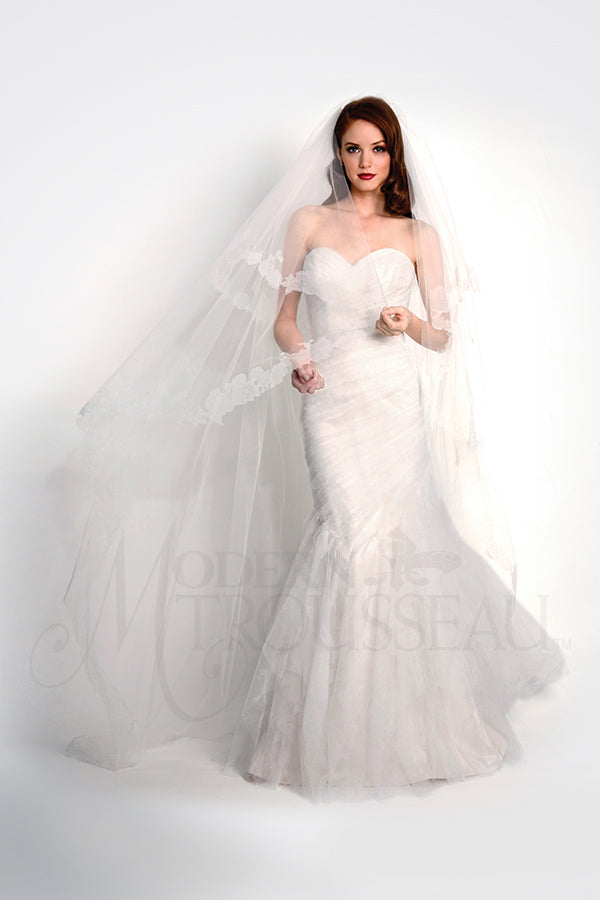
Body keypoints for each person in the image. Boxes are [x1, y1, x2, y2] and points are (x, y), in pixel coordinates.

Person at [42, 95, 567, 802]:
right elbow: (284, 319)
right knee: (346, 538)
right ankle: (324, 735)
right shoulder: (307, 223)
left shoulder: (418, 234)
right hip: (330, 399)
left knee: (396, 543)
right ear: (337, 155)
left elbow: (443, 335)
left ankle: (419, 731)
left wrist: (409, 320)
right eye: (353, 148)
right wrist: (300, 359)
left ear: (395, 156)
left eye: (378, 148)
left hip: (393, 403)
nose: (366, 161)